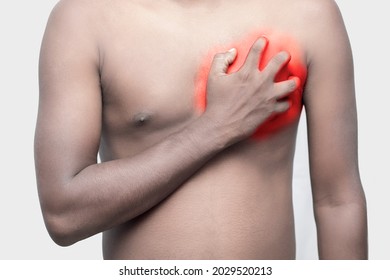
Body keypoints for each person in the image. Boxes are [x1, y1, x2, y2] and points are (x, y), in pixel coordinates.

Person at [34, 0, 367, 259]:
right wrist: (215, 128)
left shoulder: (307, 13)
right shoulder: (84, 19)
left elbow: (338, 201)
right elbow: (64, 215)